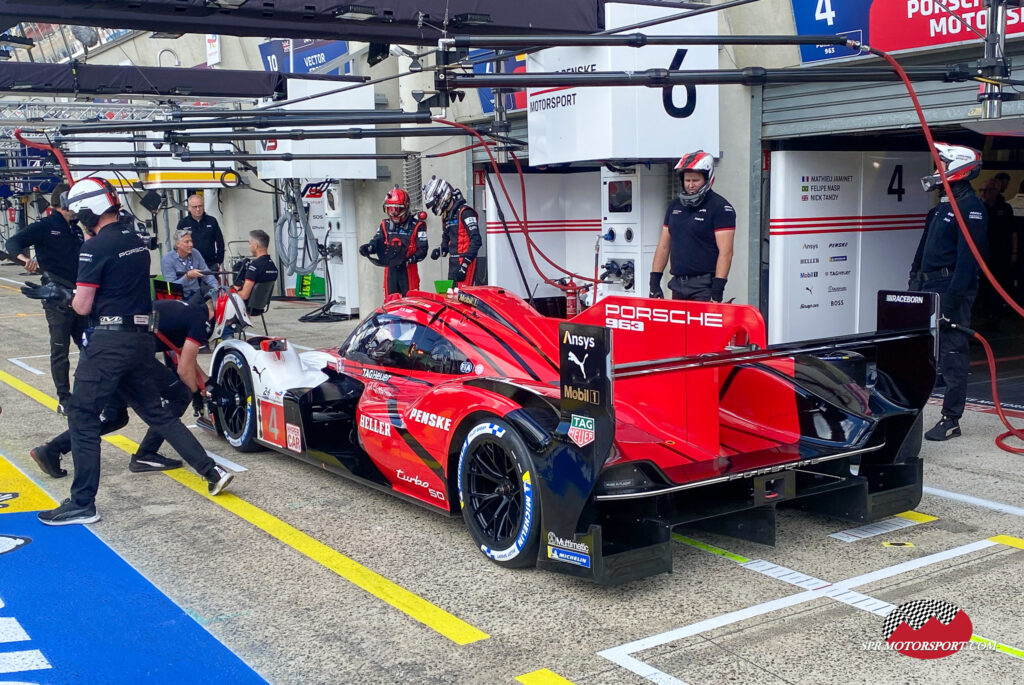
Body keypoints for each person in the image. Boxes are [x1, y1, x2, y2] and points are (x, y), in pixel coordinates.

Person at [36, 177, 234, 526]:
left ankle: (82, 503)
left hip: (109, 343)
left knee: (82, 415)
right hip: (139, 339)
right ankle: (211, 470)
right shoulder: (137, 244)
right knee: (157, 414)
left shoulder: (93, 248)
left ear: (88, 211)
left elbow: (83, 306)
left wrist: (59, 295)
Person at [30, 296, 248, 477]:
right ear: (223, 313)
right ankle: (147, 455)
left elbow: (186, 360)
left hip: (109, 348)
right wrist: (196, 395)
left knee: (115, 417)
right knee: (179, 396)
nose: (229, 327)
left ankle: (51, 450)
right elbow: (184, 371)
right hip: (130, 353)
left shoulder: (188, 310)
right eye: (231, 323)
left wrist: (207, 382)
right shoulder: (199, 321)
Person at [908, 143, 988, 442]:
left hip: (951, 287)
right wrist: (914, 282)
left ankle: (951, 419)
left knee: (953, 351)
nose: (936, 168)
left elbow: (969, 260)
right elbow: (922, 251)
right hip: (928, 286)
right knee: (922, 348)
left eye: (942, 163)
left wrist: (954, 299)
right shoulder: (941, 207)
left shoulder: (971, 208)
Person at [5, 183, 86, 414]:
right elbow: (12, 243)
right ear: (63, 202)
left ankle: (85, 393)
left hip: (78, 295)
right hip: (55, 296)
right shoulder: (46, 225)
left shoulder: (76, 229)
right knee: (60, 350)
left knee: (89, 347)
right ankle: (64, 398)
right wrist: (23, 259)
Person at [649, 151, 736, 302]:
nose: (690, 185)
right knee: (677, 326)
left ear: (707, 178)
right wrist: (654, 282)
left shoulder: (721, 208)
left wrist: (717, 290)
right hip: (677, 283)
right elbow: (663, 246)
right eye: (687, 180)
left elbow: (726, 253)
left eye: (695, 180)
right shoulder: (674, 205)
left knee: (700, 327)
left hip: (704, 286)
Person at [359, 186, 427, 297]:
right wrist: (368, 248)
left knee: (410, 303)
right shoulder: (384, 225)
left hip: (408, 269)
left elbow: (423, 250)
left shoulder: (418, 226)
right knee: (389, 302)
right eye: (391, 209)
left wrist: (408, 260)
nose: (394, 213)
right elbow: (376, 242)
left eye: (397, 209)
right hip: (390, 270)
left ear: (405, 208)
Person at [422, 176, 482, 287]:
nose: (434, 207)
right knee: (451, 297)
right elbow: (446, 239)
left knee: (463, 297)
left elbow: (476, 240)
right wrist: (440, 250)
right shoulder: (446, 216)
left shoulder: (465, 212)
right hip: (453, 262)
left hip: (465, 261)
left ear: (442, 196)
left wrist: (464, 265)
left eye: (435, 203)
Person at [978, 179, 1014, 326]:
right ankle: (986, 313)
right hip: (983, 254)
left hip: (1001, 253)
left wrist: (1014, 253)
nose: (984, 194)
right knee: (984, 285)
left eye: (987, 190)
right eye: (982, 190)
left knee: (998, 284)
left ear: (995, 191)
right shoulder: (979, 208)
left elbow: (1013, 232)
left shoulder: (1005, 208)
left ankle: (996, 315)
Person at [160, 228, 219, 305]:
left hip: (197, 294)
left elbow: (207, 274)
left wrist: (217, 288)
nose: (191, 244)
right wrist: (187, 277)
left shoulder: (195, 253)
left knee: (211, 298)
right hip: (179, 297)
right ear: (177, 244)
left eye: (191, 241)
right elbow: (171, 288)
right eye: (186, 242)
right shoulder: (167, 259)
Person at [176, 193, 224, 274]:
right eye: (195, 207)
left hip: (210, 264)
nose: (198, 209)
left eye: (200, 206)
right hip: (190, 265)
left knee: (212, 286)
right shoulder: (183, 223)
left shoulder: (212, 221)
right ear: (189, 208)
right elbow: (178, 244)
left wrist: (219, 261)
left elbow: (220, 242)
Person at [235, 229, 279, 302]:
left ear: (255, 246)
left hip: (247, 306)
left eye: (250, 244)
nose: (249, 246)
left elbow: (244, 295)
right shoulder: (273, 266)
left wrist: (231, 292)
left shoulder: (254, 267)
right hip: (261, 305)